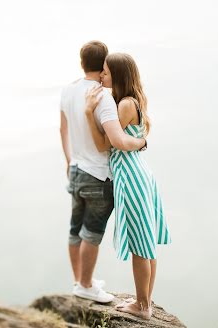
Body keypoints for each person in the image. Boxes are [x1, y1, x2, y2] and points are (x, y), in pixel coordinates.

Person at [85, 52, 171, 320]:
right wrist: (140, 142)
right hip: (140, 172)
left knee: (139, 244)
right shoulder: (133, 101)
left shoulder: (123, 105)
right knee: (147, 242)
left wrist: (89, 114)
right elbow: (137, 136)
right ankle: (145, 302)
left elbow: (107, 143)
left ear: (118, 75)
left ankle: (142, 307)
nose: (102, 75)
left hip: (130, 177)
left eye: (107, 72)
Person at [60, 41, 146, 304]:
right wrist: (141, 142)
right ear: (103, 66)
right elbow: (118, 140)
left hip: (75, 168)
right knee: (92, 233)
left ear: (81, 62)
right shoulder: (103, 98)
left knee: (75, 230)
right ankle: (85, 285)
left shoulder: (68, 90)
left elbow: (62, 130)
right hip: (99, 175)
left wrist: (68, 160)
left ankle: (79, 281)